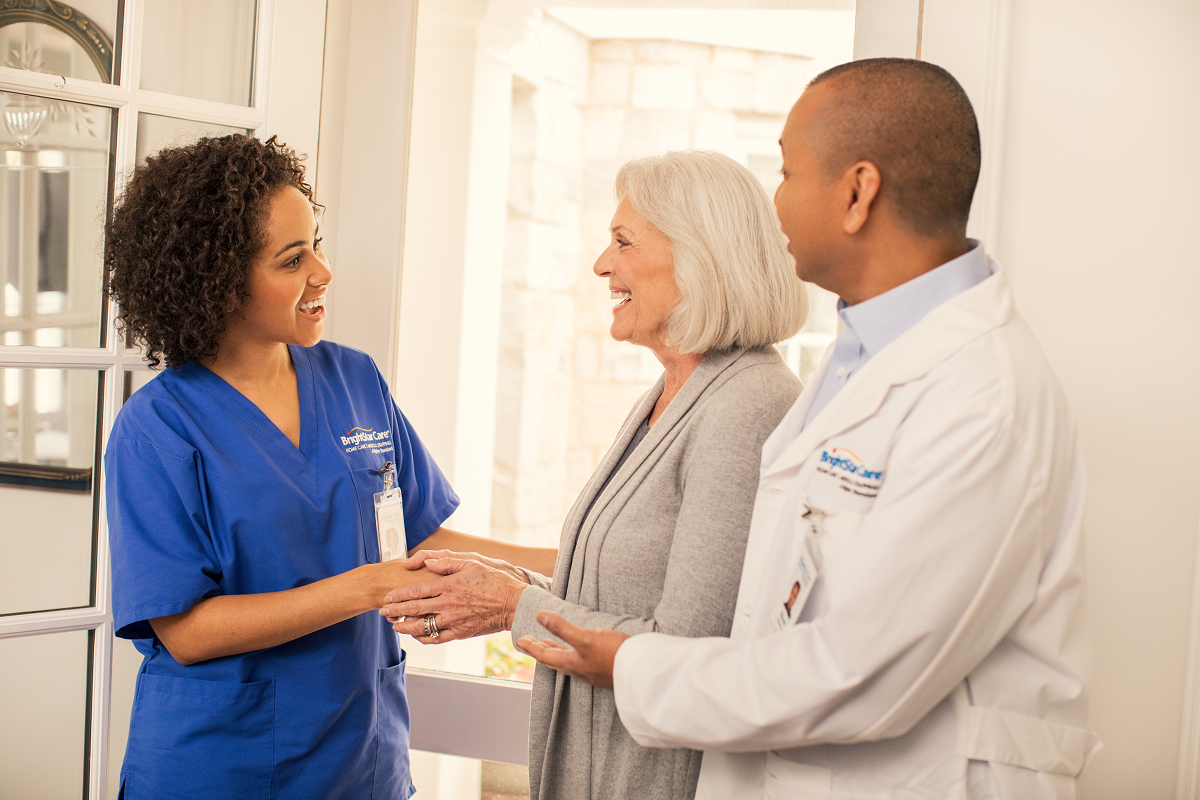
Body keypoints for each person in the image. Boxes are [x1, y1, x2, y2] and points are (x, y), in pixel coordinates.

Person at [517, 58, 1101, 799]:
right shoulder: (857, 362)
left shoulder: (983, 397)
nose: (775, 203)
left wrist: (626, 662)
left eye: (787, 173)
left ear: (858, 193)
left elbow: (859, 672)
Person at [104, 134, 552, 799]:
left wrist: (570, 562)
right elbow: (187, 632)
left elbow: (416, 539)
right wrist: (366, 588)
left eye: (317, 244)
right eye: (292, 260)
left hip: (362, 765)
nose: (323, 273)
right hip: (223, 771)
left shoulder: (353, 378)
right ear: (219, 282)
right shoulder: (158, 429)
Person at [382, 151, 807, 800]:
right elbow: (626, 593)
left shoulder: (747, 402)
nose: (601, 264)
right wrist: (513, 585)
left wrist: (511, 605)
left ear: (700, 257)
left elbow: (681, 653)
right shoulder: (669, 393)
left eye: (623, 242)